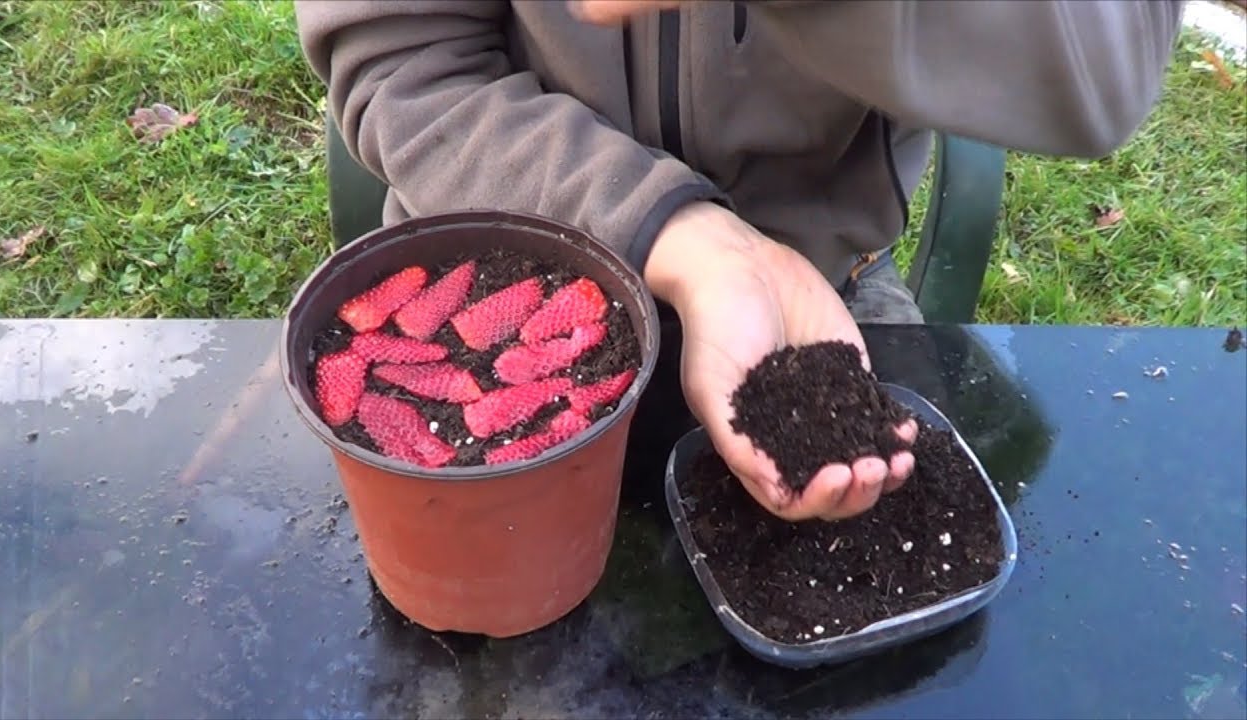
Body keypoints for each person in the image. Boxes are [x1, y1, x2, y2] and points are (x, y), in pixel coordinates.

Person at [294, 0, 1183, 521]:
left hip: (817, 286)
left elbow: (1101, 67)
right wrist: (693, 239)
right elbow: (402, 61)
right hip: (506, 252)